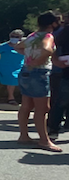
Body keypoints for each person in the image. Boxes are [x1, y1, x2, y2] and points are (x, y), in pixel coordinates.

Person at [17, 11, 61, 152]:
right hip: (39, 72)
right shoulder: (48, 36)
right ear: (52, 23)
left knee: (26, 105)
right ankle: (44, 140)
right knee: (42, 109)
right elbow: (47, 49)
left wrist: (29, 57)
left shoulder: (32, 36)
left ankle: (24, 135)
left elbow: (18, 46)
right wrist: (38, 61)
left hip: (25, 71)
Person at [0, 30, 25, 106]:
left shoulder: (23, 47)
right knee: (12, 77)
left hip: (19, 66)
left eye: (17, 37)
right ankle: (11, 98)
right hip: (6, 67)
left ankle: (25, 99)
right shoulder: (3, 46)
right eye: (13, 36)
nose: (14, 38)